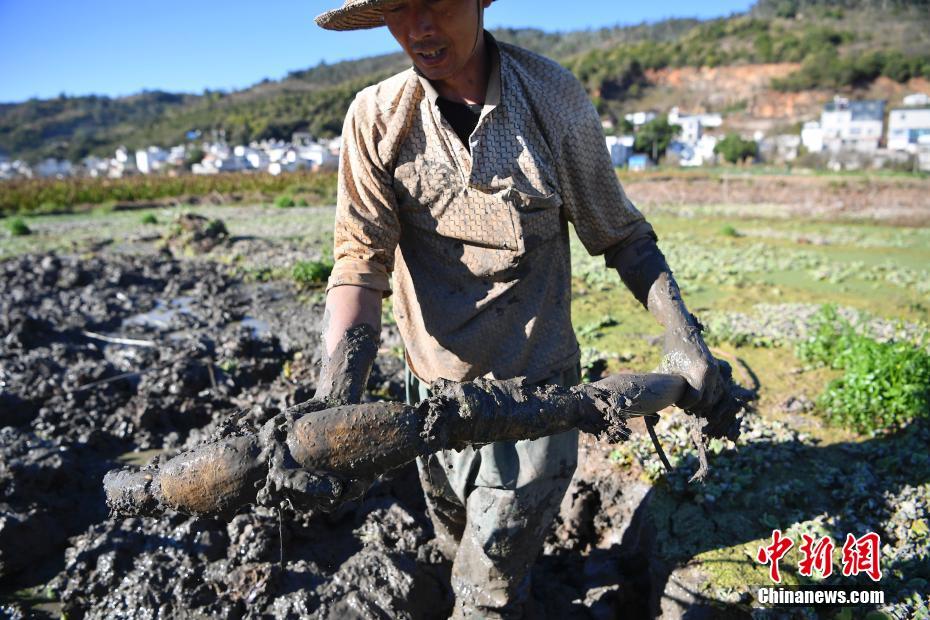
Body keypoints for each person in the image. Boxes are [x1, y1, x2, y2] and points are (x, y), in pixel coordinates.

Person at [312, 0, 723, 617]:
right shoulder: (375, 118)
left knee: (485, 595)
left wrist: (684, 339)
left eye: (439, 3)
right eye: (399, 9)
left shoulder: (550, 97)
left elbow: (622, 236)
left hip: (534, 402)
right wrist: (333, 401)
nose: (420, 26)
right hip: (429, 399)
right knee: (457, 546)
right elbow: (359, 265)